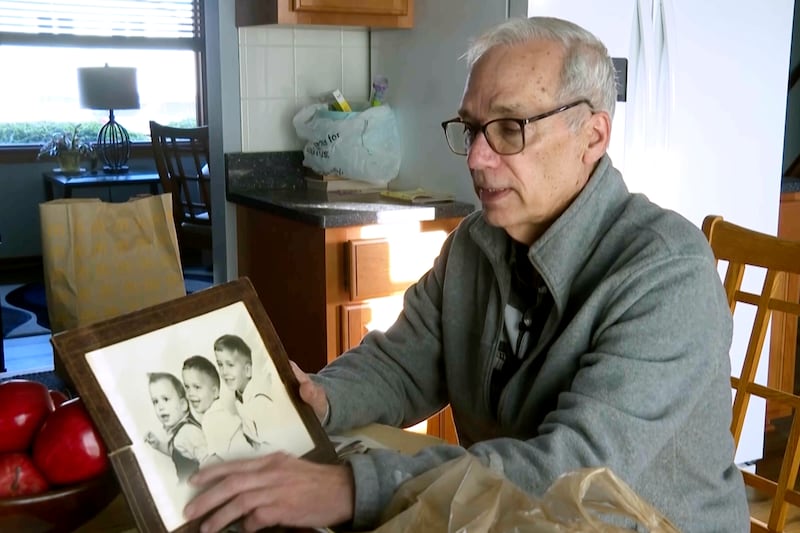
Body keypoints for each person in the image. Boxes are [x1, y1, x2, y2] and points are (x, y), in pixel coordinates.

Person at [184, 16, 748, 532]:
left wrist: (351, 486)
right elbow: (402, 364)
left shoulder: (667, 273)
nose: (477, 158)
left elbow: (571, 475)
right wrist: (319, 396)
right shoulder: (477, 243)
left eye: (509, 129)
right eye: (472, 128)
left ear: (593, 136)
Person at [181, 355, 253, 462]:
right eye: (187, 387)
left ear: (214, 392)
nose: (190, 393)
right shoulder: (218, 412)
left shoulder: (212, 419)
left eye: (196, 387)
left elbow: (216, 460)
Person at [144, 371, 208, 483]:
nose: (160, 407)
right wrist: (158, 445)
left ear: (183, 404)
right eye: (155, 402)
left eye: (165, 399)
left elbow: (209, 460)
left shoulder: (188, 432)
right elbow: (177, 452)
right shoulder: (179, 435)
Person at [212, 334, 274, 447]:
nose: (224, 371)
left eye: (230, 365)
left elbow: (273, 444)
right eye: (220, 365)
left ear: (247, 370)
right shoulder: (237, 400)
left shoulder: (259, 402)